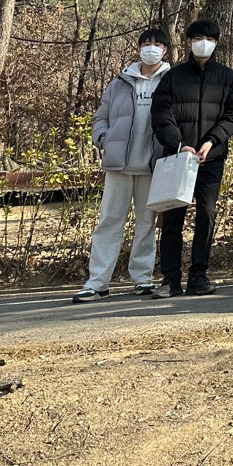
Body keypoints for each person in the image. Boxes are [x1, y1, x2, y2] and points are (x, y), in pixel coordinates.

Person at [74, 27, 173, 302]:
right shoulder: (119, 82)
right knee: (109, 222)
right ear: (139, 48)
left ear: (165, 50)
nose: (151, 48)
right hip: (119, 165)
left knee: (147, 224)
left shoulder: (171, 81)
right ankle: (98, 282)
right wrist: (103, 139)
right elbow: (100, 117)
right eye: (146, 43)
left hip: (153, 166)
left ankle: (142, 278)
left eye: (157, 44)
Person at [150, 19, 233, 298]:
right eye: (198, 38)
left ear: (216, 43)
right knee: (172, 218)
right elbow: (161, 114)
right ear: (189, 42)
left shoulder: (229, 78)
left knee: (207, 213)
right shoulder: (173, 77)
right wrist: (179, 145)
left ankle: (199, 275)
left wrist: (212, 141)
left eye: (210, 39)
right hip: (177, 158)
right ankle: (170, 279)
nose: (204, 43)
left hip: (211, 158)